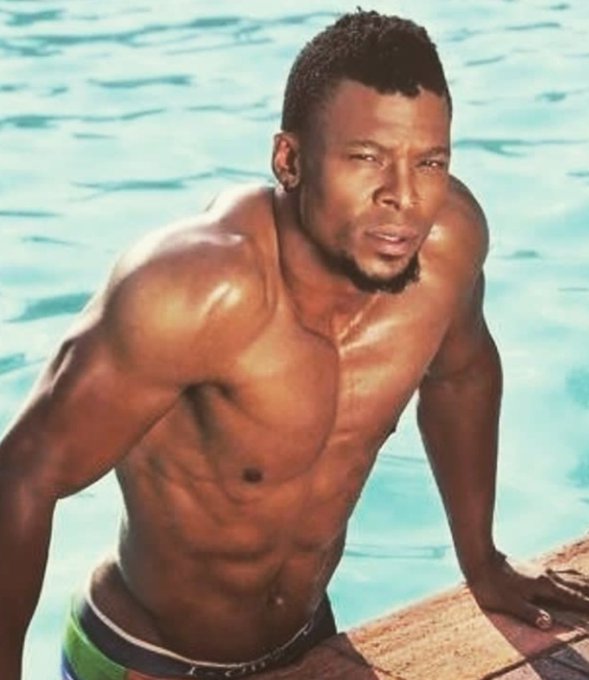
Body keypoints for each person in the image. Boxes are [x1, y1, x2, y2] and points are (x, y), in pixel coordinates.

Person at [2, 9, 588, 680]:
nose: (402, 197)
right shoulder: (192, 290)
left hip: (308, 640)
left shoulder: (447, 250)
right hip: (149, 657)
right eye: (366, 158)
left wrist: (481, 561)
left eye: (429, 162)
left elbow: (461, 374)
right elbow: (23, 476)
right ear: (290, 160)